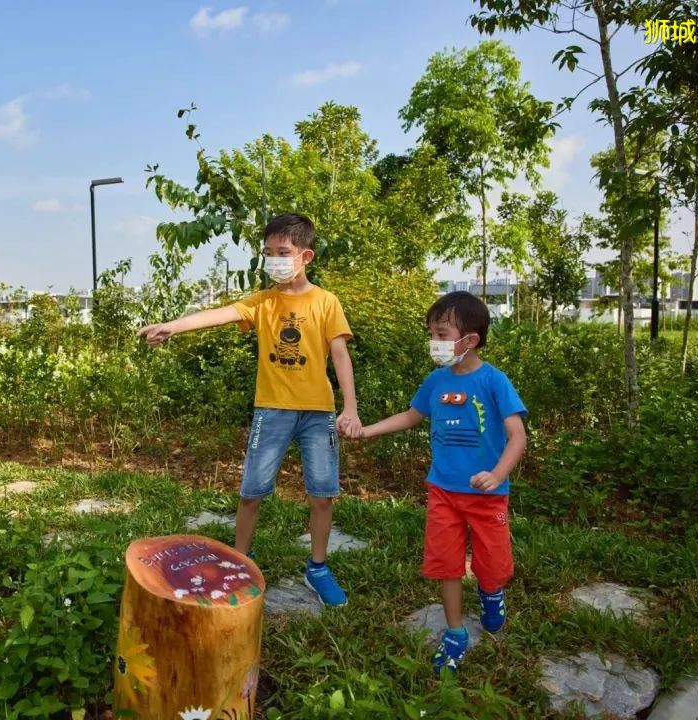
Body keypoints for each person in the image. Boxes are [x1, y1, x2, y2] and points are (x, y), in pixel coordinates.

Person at [137, 213, 359, 607]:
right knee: (252, 492)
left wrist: (350, 408)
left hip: (318, 414)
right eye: (268, 253)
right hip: (270, 411)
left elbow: (340, 355)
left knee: (322, 495)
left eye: (283, 252)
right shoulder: (263, 301)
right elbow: (219, 314)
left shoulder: (327, 302)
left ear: (305, 255)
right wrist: (172, 325)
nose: (274, 259)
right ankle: (240, 562)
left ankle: (318, 568)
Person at [342, 291, 527, 671]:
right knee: (446, 565)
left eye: (442, 334)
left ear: (470, 339)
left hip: (487, 497)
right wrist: (367, 431)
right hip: (443, 492)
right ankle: (456, 633)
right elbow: (411, 416)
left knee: (493, 566)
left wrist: (497, 474)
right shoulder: (435, 381)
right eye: (431, 333)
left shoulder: (494, 382)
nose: (434, 343)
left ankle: (492, 593)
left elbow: (518, 435)